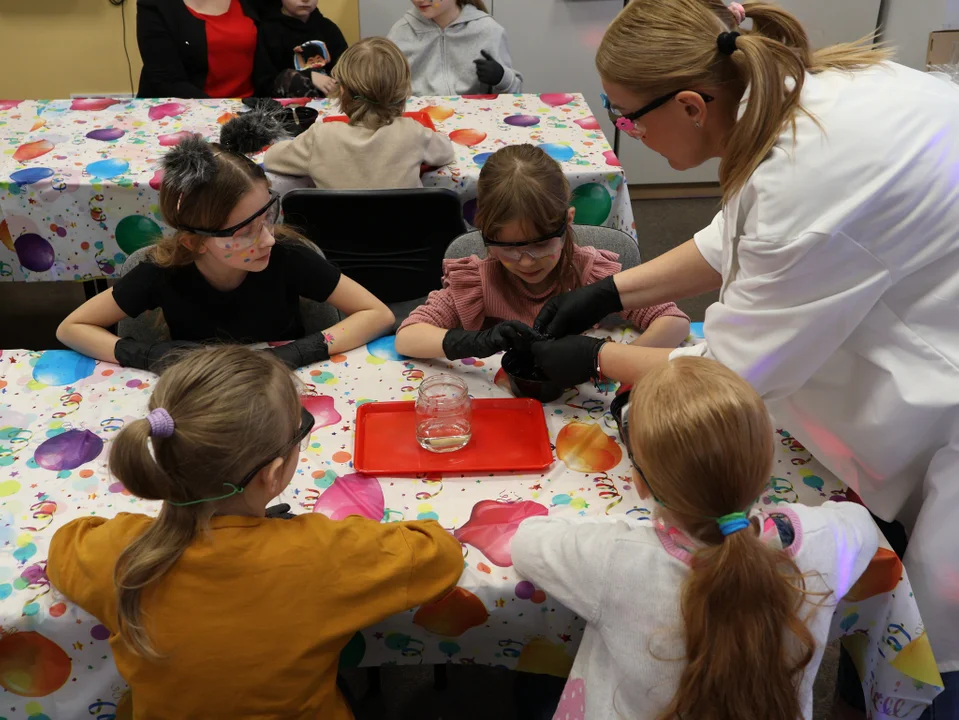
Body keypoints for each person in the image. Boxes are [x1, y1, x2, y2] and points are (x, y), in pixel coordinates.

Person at [530, 1, 959, 715]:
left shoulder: (807, 176)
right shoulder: (792, 100)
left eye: (627, 114)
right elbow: (733, 236)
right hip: (918, 316)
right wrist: (609, 288)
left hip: (939, 392)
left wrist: (592, 357)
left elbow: (725, 379)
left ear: (693, 105)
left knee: (919, 664)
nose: (626, 130)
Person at [47, 346, 464, 720]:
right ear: (274, 473)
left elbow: (65, 545)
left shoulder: (116, 555)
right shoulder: (324, 552)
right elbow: (440, 553)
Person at [513, 356, 879, 719]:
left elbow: (526, 543)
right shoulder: (822, 539)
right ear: (767, 467)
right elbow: (860, 522)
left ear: (638, 481)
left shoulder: (617, 558)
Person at [57, 134, 394, 372]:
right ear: (195, 242)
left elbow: (377, 313)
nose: (268, 240)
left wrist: (296, 352)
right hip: (202, 393)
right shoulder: (161, 272)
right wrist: (151, 356)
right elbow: (71, 327)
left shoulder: (288, 257)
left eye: (267, 217)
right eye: (245, 231)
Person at [394, 144, 688, 362]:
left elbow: (674, 321)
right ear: (485, 234)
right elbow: (408, 336)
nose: (525, 260)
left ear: (568, 221)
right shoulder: (478, 282)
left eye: (540, 244)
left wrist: (611, 363)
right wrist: (477, 342)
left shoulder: (590, 273)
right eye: (508, 247)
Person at [264, 37, 455, 189]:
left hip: (333, 238)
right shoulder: (413, 133)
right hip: (405, 236)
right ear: (403, 92)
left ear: (342, 91)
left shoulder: (321, 136)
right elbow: (447, 152)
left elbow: (272, 159)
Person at [136, 0, 277, 99]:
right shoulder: (155, 5)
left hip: (250, 109)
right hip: (184, 115)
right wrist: (225, 114)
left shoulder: (255, 3)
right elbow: (167, 81)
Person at [388, 0, 522, 96]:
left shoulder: (488, 30)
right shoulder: (400, 33)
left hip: (474, 125)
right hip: (418, 126)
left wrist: (501, 78)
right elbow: (383, 93)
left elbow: (513, 95)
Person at [259, 0, 349, 98]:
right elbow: (264, 83)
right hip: (284, 106)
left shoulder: (329, 28)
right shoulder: (268, 30)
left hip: (329, 105)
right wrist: (309, 76)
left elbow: (346, 71)